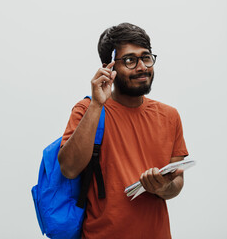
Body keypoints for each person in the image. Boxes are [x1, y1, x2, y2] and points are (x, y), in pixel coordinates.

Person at [58, 23, 189, 239]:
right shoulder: (87, 110)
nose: (142, 67)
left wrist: (161, 187)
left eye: (146, 57)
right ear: (108, 67)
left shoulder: (169, 116)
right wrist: (97, 105)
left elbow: (177, 182)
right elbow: (69, 169)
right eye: (130, 60)